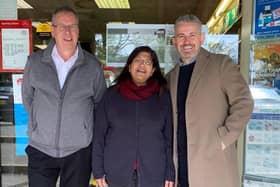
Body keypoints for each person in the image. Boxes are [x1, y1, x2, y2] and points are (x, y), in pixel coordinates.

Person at [22, 6, 106, 187]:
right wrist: (40, 124)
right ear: (53, 31)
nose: (68, 32)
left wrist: (83, 130)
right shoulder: (35, 62)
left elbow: (100, 105)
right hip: (40, 148)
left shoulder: (93, 66)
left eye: (73, 26)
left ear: (78, 30)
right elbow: (28, 99)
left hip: (78, 152)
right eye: (62, 26)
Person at [166, 14, 254, 187]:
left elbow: (244, 102)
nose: (187, 41)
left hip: (213, 161)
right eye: (181, 36)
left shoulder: (221, 64)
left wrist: (224, 138)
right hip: (181, 165)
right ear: (174, 41)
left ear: (202, 38)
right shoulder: (171, 76)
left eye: (192, 35)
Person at [92, 46, 175, 187]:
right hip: (116, 172)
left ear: (153, 71)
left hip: (154, 173)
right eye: (138, 60)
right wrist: (98, 170)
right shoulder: (111, 95)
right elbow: (99, 135)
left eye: (148, 62)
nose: (142, 65)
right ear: (129, 66)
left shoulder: (162, 97)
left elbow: (168, 139)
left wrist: (170, 172)